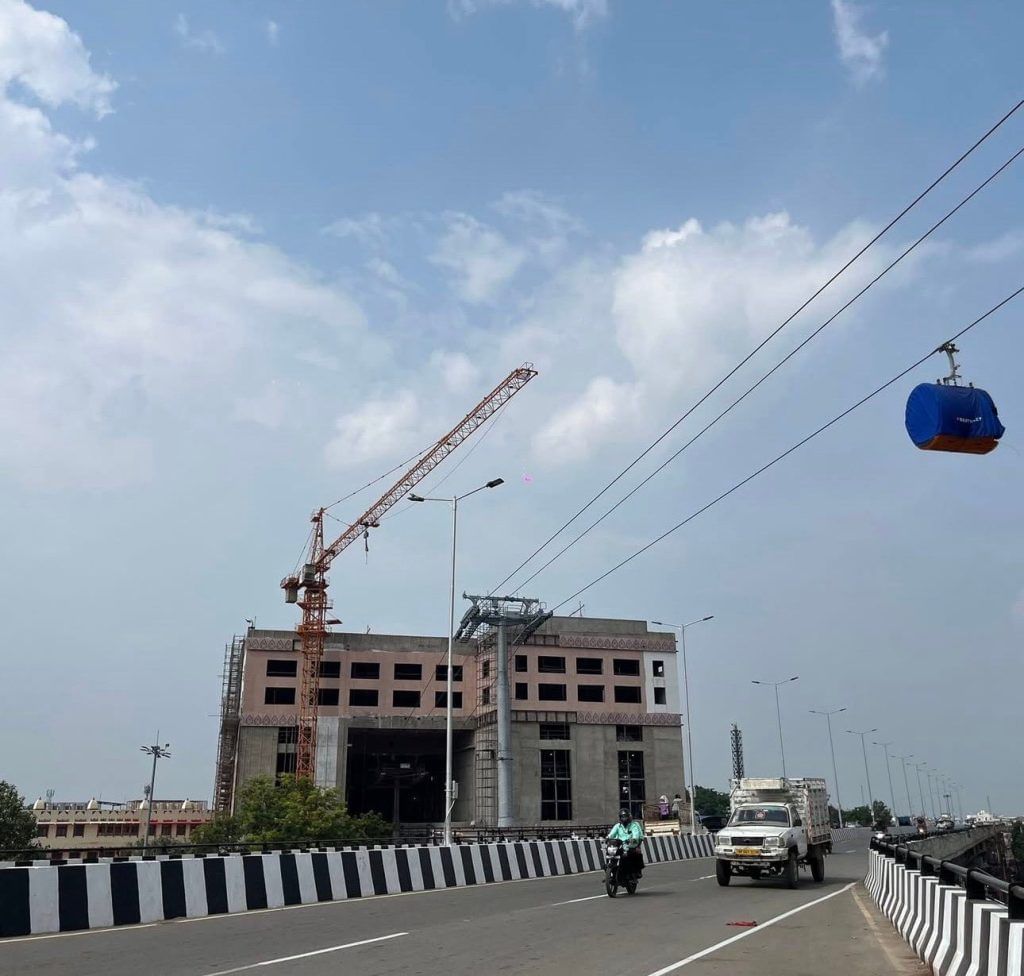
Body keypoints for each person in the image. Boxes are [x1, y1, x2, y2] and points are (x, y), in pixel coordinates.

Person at [607, 808, 645, 878]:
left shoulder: (633, 825)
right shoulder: (617, 826)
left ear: (628, 817)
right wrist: (607, 837)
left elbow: (636, 835)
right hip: (619, 846)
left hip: (630, 845)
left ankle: (635, 872)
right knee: (609, 853)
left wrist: (633, 839)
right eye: (622, 817)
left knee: (632, 855)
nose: (624, 819)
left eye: (625, 817)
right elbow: (612, 834)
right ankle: (610, 874)